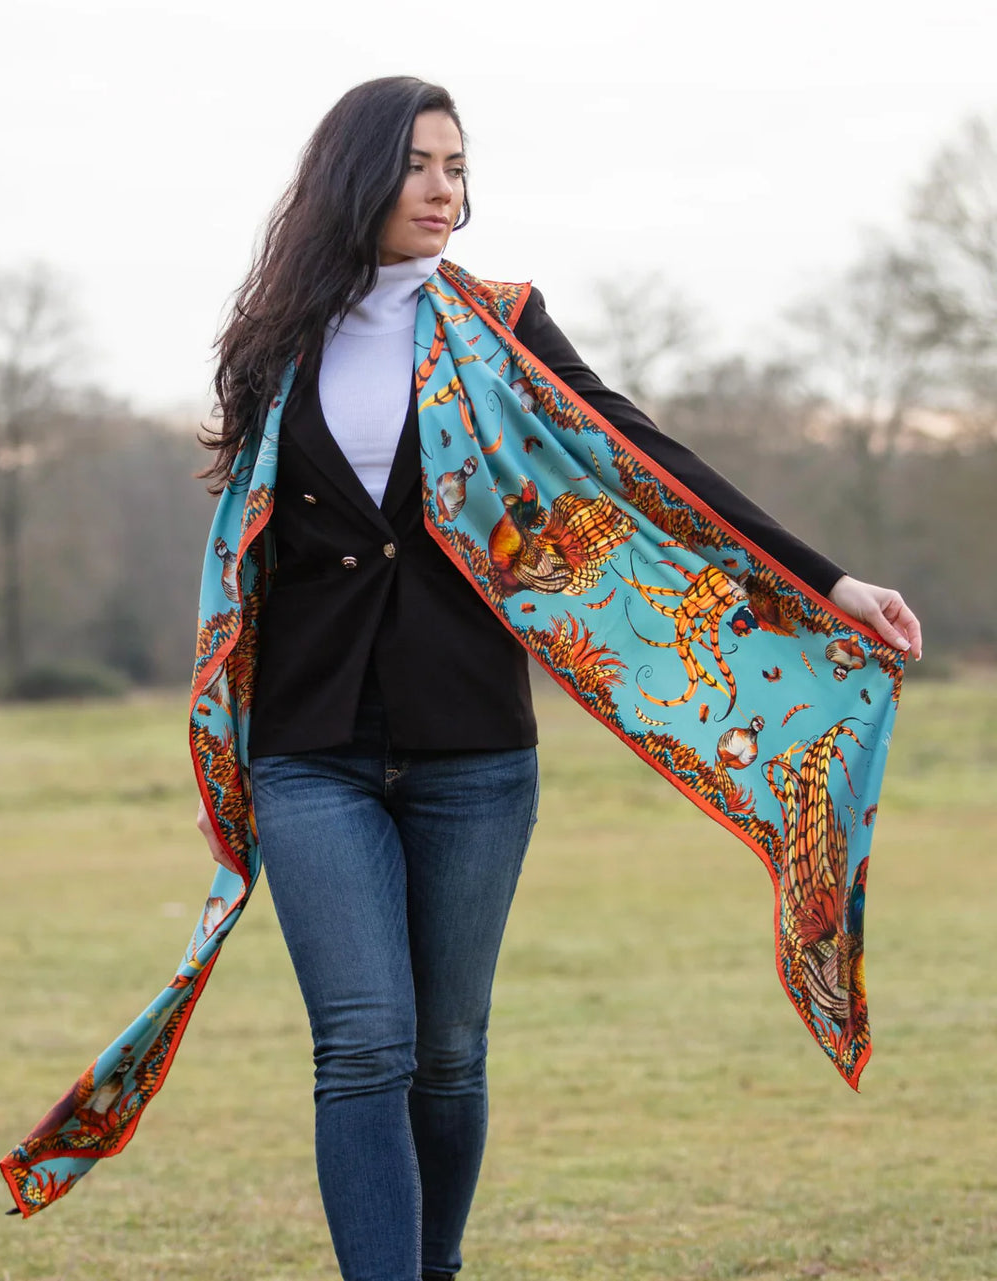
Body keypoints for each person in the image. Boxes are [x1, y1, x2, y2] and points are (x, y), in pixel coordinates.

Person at [194, 77, 922, 1281]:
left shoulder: (501, 325)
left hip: (469, 748)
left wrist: (824, 583)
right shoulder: (275, 348)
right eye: (421, 164)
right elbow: (240, 555)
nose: (444, 190)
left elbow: (646, 459)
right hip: (308, 744)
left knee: (450, 1050)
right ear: (356, 176)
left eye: (458, 168)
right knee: (364, 1045)